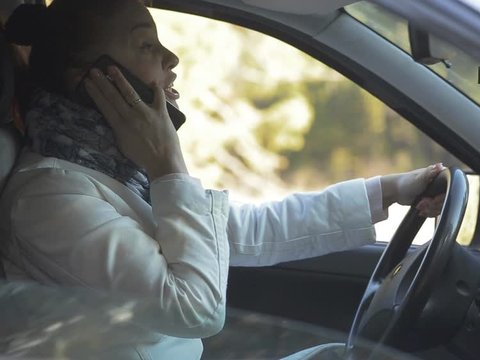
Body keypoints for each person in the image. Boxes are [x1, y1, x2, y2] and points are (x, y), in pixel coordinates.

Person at [0, 0, 446, 359]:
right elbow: (193, 310)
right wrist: (168, 166)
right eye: (146, 46)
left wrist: (387, 191)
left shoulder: (113, 171)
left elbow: (240, 230)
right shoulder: (51, 197)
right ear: (94, 80)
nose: (172, 59)